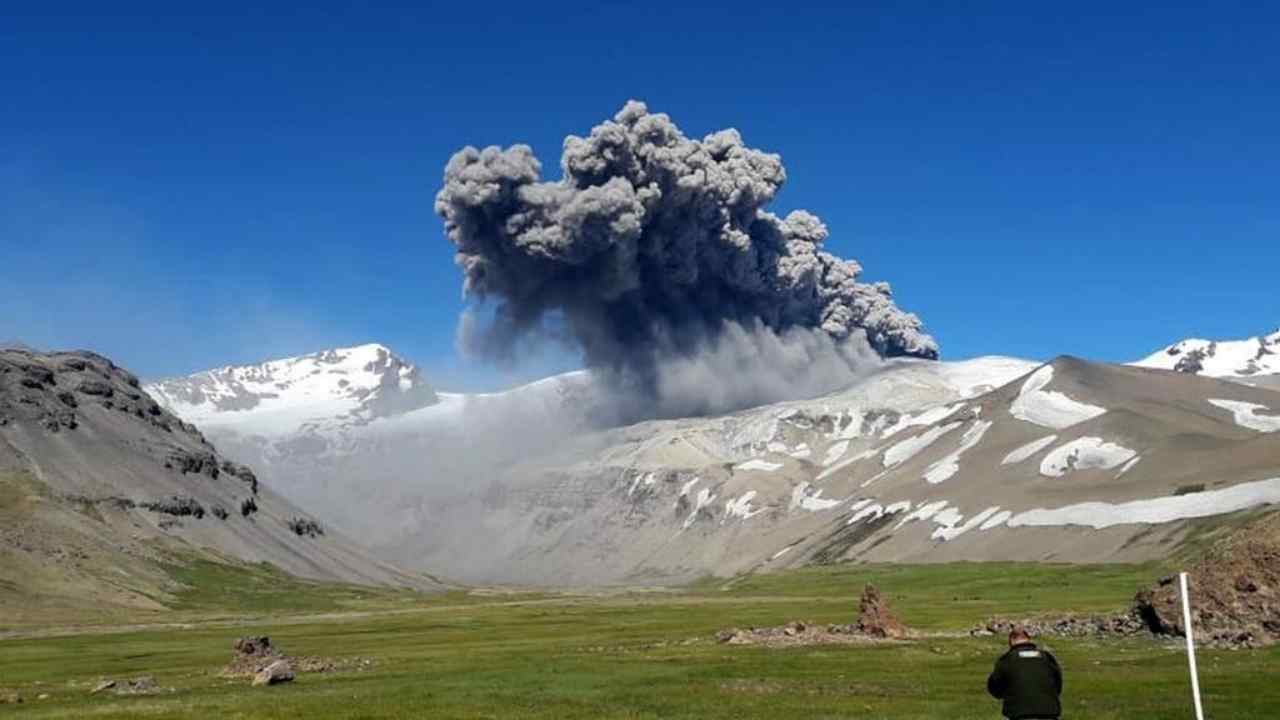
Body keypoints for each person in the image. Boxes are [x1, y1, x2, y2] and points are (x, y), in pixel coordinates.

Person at [987, 627, 1063, 719]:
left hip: (1019, 714)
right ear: (1028, 639)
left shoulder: (1006, 659)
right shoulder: (1047, 657)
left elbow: (995, 688)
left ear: (1011, 641)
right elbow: (1058, 685)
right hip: (1050, 713)